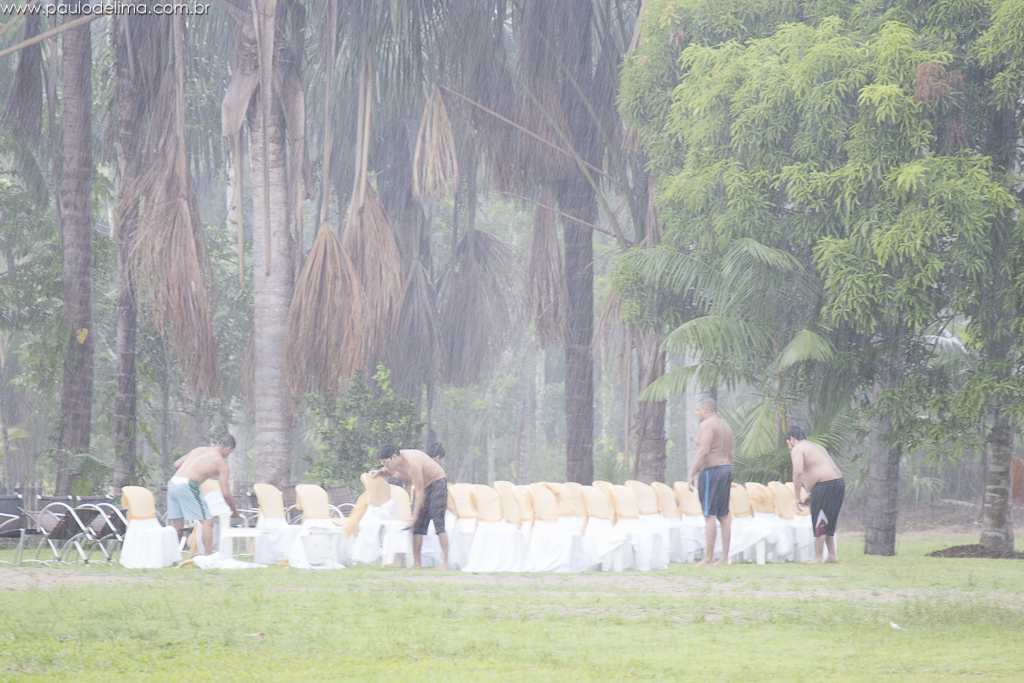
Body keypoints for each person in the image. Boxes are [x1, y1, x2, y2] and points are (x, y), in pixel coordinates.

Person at [371, 444, 449, 569]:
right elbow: (389, 472)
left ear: (394, 457)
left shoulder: (412, 464)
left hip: (437, 482)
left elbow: (419, 492)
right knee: (418, 526)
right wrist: (379, 472)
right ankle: (416, 563)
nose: (385, 466)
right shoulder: (395, 462)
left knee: (438, 522)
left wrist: (413, 517)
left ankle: (446, 563)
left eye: (386, 463)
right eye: (382, 464)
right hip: (423, 485)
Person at [167, 435, 239, 555]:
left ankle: (171, 557)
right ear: (228, 449)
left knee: (175, 524)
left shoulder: (199, 450)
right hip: (187, 485)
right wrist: (234, 511)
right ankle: (208, 556)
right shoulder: (221, 464)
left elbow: (176, 464)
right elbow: (226, 493)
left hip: (173, 483)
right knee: (207, 522)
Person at [785, 426, 844, 564]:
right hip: (838, 483)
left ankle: (818, 557)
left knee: (820, 519)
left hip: (824, 485)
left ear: (792, 440)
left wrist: (797, 497)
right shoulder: (815, 446)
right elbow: (821, 468)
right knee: (829, 520)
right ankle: (832, 555)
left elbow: (798, 472)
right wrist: (811, 493)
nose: (789, 447)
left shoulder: (798, 449)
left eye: (788, 444)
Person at [688, 397, 734, 566]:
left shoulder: (707, 424)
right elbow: (730, 453)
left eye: (698, 409)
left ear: (706, 409)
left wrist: (692, 473)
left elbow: (703, 451)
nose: (697, 413)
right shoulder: (726, 426)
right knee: (723, 516)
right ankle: (724, 558)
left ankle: (708, 558)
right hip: (725, 469)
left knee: (710, 515)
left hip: (711, 471)